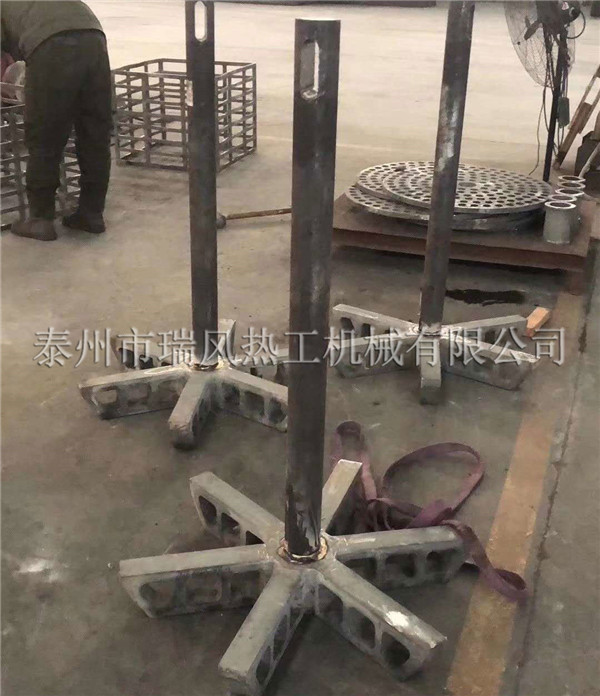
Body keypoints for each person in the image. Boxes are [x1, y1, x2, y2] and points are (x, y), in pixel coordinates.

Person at [1, 1, 112, 241]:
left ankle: (40, 219)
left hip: (51, 44)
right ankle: (92, 214)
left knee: (44, 134)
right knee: (95, 133)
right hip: (93, 38)